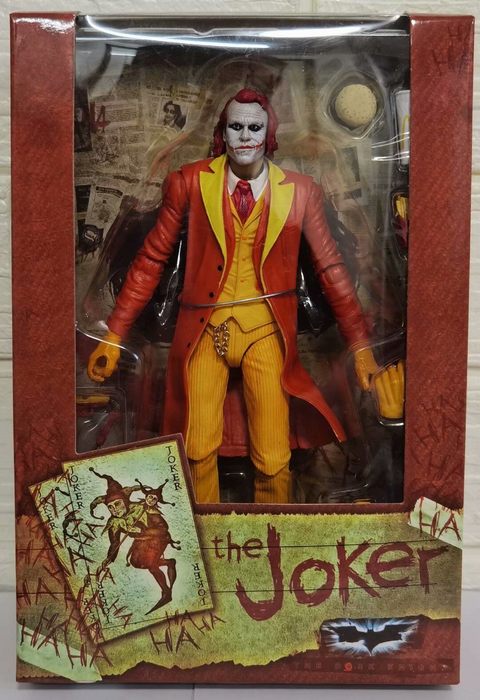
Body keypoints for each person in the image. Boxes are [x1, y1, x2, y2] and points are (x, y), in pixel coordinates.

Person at [88, 88, 382, 504]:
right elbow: (152, 258)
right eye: (236, 127)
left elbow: (331, 268)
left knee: (273, 453)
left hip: (266, 331)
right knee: (194, 446)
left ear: (269, 134)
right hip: (204, 329)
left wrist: (361, 346)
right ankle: (204, 529)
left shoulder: (300, 191)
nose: (245, 136)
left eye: (254, 128)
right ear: (222, 133)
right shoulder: (190, 182)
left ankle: (273, 531)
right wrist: (115, 334)